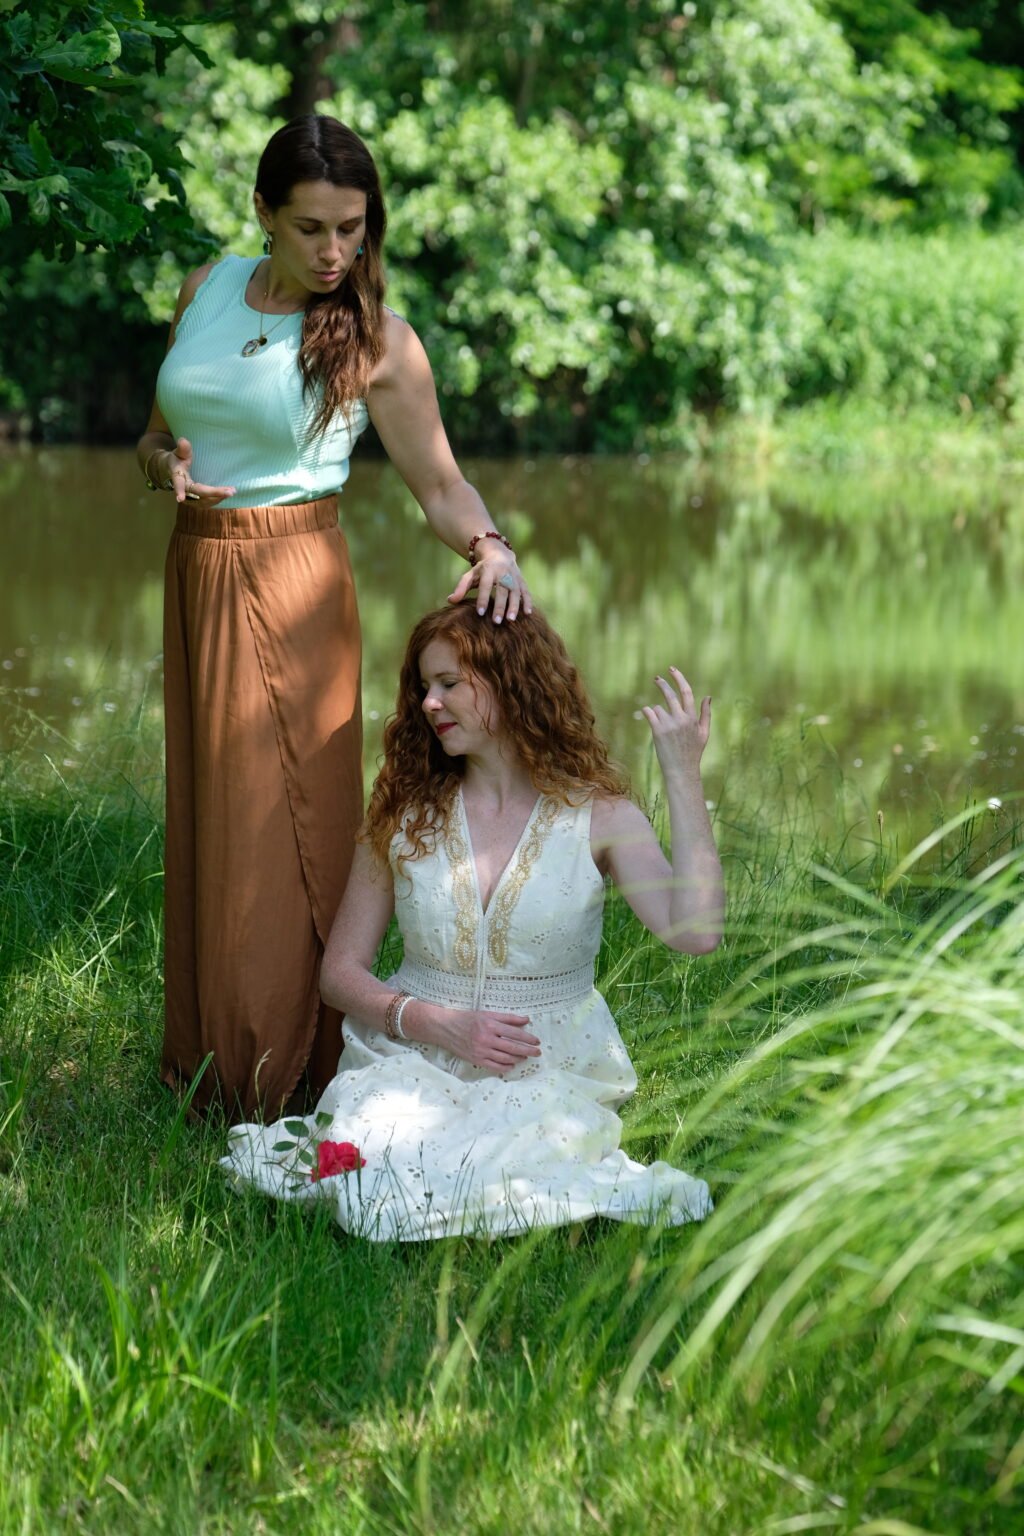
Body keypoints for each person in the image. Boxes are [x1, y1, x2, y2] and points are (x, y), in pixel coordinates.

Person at [135, 114, 530, 1122]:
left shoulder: (381, 342)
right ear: (263, 213)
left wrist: (490, 547)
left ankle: (280, 1074)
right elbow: (154, 437)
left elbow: (439, 485)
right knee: (209, 813)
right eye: (311, 227)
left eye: (351, 229)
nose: (332, 252)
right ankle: (207, 1058)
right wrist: (164, 464)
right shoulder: (205, 289)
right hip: (196, 568)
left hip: (293, 579)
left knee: (281, 825)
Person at [221, 605, 725, 1241]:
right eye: (423, 687)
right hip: (410, 1059)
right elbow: (340, 972)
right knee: (373, 1151)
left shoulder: (600, 816)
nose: (429, 703)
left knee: (506, 1169)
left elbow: (696, 931)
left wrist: (682, 774)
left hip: (543, 1069)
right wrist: (436, 1023)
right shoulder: (405, 812)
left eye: (449, 683)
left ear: (511, 682)